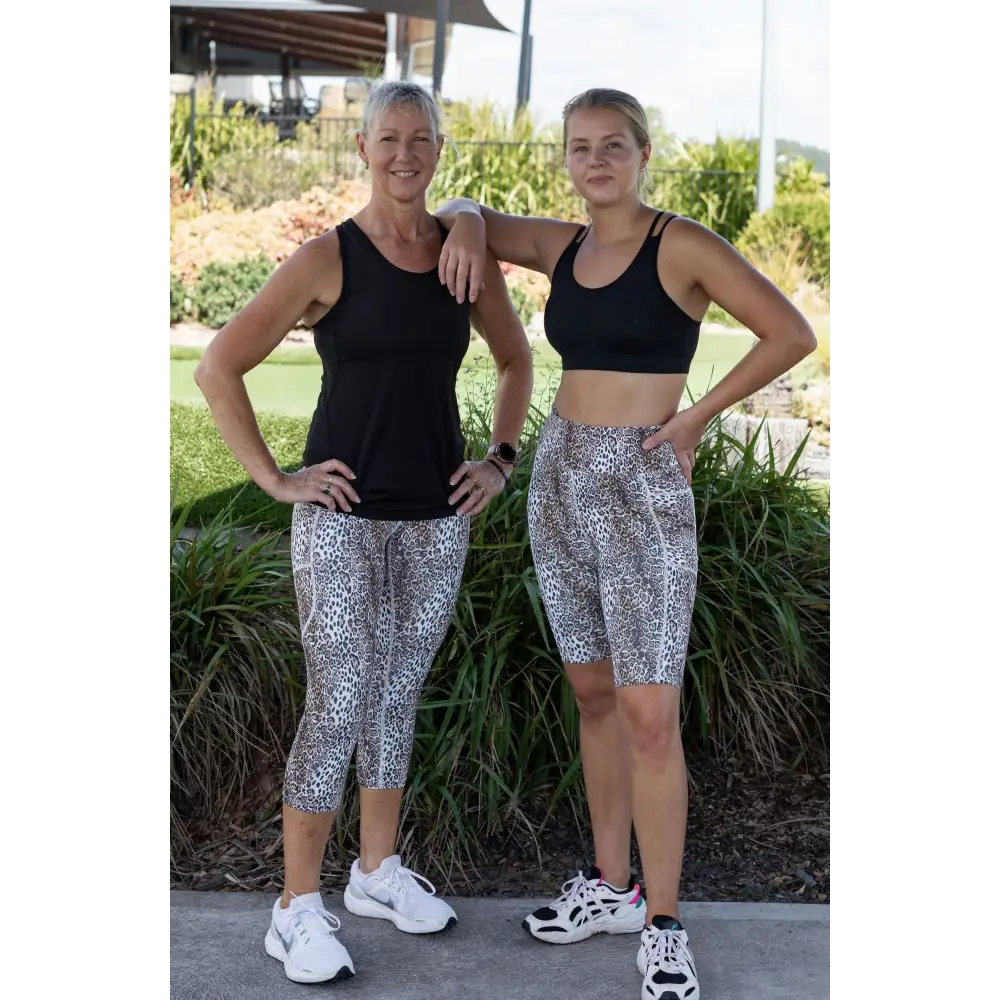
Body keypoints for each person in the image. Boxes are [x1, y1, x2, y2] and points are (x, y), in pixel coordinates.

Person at [434, 87, 817, 1000]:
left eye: (613, 145)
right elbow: (463, 208)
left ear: (644, 154)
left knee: (649, 713)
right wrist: (465, 221)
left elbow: (791, 332)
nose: (596, 161)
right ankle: (612, 888)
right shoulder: (563, 246)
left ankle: (665, 924)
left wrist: (696, 418)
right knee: (594, 693)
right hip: (561, 481)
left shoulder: (679, 245)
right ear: (566, 160)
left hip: (642, 485)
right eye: (580, 147)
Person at [193, 80, 532, 985]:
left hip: (436, 521)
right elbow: (219, 367)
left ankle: (376, 873)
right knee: (338, 698)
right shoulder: (326, 258)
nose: (404, 154)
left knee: (395, 693)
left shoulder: (463, 257)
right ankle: (295, 908)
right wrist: (277, 479)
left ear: (440, 149)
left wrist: (500, 460)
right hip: (339, 520)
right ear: (363, 149)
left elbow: (515, 359)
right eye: (388, 138)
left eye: (421, 138)